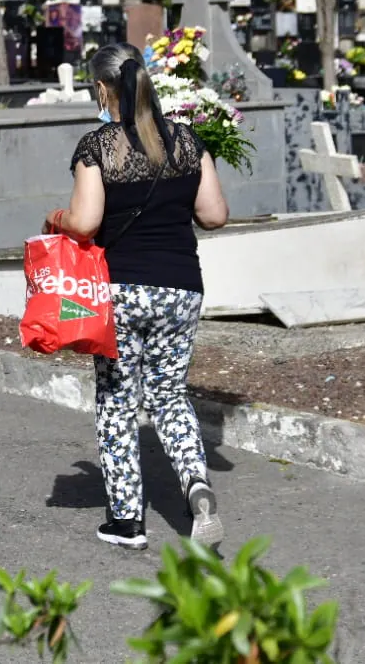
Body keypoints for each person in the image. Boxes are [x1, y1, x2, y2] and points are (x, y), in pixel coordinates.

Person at [44, 42, 230, 552]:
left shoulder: (98, 146)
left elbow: (85, 223)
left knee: (118, 400)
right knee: (170, 394)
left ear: (103, 89)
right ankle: (195, 481)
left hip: (120, 291)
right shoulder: (188, 140)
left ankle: (127, 521)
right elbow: (214, 215)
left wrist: (56, 218)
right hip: (181, 288)